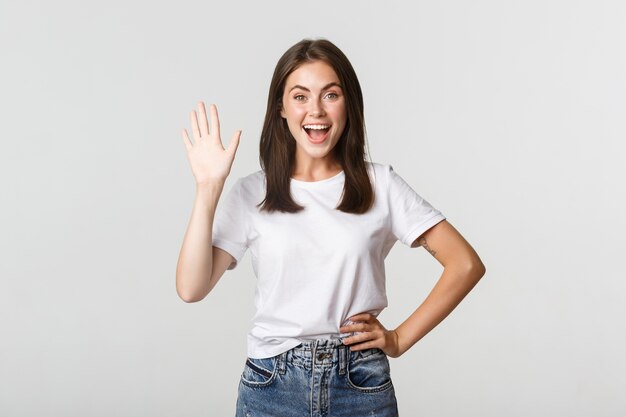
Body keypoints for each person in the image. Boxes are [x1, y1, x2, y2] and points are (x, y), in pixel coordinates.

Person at [176, 38, 486, 417]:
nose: (316, 111)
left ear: (348, 104)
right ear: (281, 108)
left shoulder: (380, 185)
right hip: (272, 385)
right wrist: (208, 189)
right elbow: (191, 288)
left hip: (359, 383)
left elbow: (465, 264)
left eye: (331, 94)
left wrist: (399, 338)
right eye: (300, 96)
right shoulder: (252, 192)